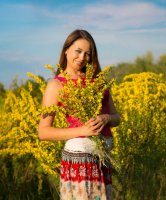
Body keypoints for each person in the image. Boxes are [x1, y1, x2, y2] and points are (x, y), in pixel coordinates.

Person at [38, 29, 120, 200]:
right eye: (78, 51)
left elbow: (116, 118)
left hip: (102, 163)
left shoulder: (98, 81)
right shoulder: (56, 85)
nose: (82, 57)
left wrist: (106, 118)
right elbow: (44, 132)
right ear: (66, 50)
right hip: (79, 163)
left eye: (88, 54)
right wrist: (82, 130)